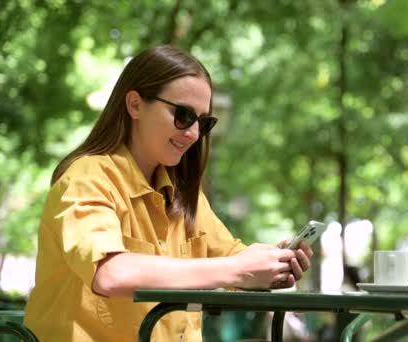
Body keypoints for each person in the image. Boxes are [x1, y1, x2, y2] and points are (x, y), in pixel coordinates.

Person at [24, 45, 313, 341]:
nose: (193, 133)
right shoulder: (87, 177)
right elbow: (111, 274)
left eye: (203, 122)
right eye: (183, 115)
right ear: (135, 104)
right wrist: (236, 269)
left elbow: (232, 260)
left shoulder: (183, 196)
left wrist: (273, 265)